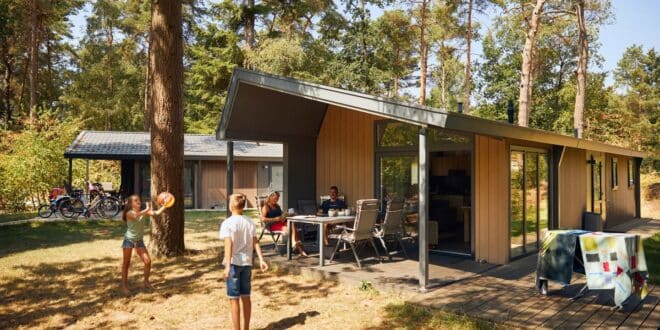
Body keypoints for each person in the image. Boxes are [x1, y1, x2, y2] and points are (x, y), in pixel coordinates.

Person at [220, 193, 269, 330]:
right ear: (244, 206)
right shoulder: (250, 222)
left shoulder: (227, 223)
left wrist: (227, 266)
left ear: (230, 206)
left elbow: (228, 245)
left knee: (233, 299)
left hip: (234, 265)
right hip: (247, 263)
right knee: (246, 297)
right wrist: (261, 259)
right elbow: (255, 242)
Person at [120, 195, 166, 294]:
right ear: (131, 204)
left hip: (139, 241)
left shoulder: (142, 211)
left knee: (148, 261)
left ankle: (146, 282)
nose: (138, 201)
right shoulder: (129, 213)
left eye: (139, 200)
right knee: (126, 263)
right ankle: (124, 286)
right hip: (129, 240)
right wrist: (147, 209)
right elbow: (136, 215)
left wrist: (165, 205)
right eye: (136, 200)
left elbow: (156, 213)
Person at [261, 191, 307, 256]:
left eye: (277, 199)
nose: (276, 200)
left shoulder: (277, 206)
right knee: (294, 230)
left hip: (281, 223)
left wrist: (287, 215)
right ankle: (299, 249)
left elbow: (282, 215)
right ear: (270, 197)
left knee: (292, 224)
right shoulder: (266, 207)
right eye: (275, 198)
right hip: (272, 225)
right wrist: (274, 219)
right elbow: (262, 219)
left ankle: (295, 243)